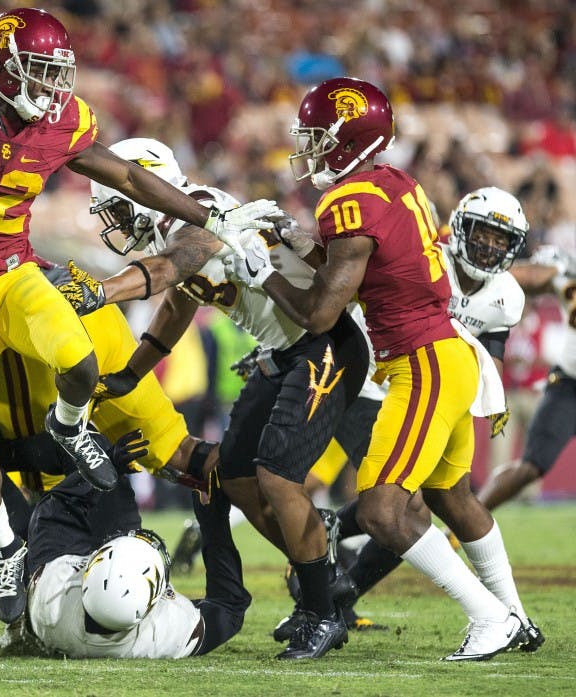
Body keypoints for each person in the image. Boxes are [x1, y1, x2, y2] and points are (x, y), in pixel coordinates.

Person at [0, 7, 266, 623]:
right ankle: (3, 551)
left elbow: (125, 175)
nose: (50, 87)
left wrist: (210, 217)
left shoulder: (65, 120)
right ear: (1, 67)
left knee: (77, 363)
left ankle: (67, 430)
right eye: (36, 72)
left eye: (54, 72)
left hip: (13, 271)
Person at [216, 76, 536, 661]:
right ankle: (517, 615)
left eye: (316, 137)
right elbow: (365, 269)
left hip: (424, 363)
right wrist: (296, 240)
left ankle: (492, 618)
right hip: (447, 354)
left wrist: (265, 272)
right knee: (452, 498)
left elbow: (318, 315)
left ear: (346, 139)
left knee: (382, 509)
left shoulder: (346, 200)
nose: (307, 148)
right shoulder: (392, 182)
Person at [56, 137, 368, 659]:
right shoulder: (179, 226)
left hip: (325, 345)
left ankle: (321, 610)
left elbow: (170, 270)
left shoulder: (199, 215)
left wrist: (100, 291)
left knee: (277, 477)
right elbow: (179, 301)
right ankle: (326, 585)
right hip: (285, 351)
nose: (112, 216)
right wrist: (134, 373)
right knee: (235, 475)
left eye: (114, 199)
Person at [0, 466, 250, 658]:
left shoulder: (51, 597)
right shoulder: (166, 633)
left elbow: (51, 513)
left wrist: (97, 467)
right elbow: (230, 608)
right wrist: (214, 520)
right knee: (105, 469)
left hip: (52, 583)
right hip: (65, 610)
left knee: (3, 520)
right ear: (152, 606)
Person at [476, 244, 574, 513]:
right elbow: (531, 277)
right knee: (529, 466)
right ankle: (465, 526)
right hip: (568, 385)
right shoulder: (566, 266)